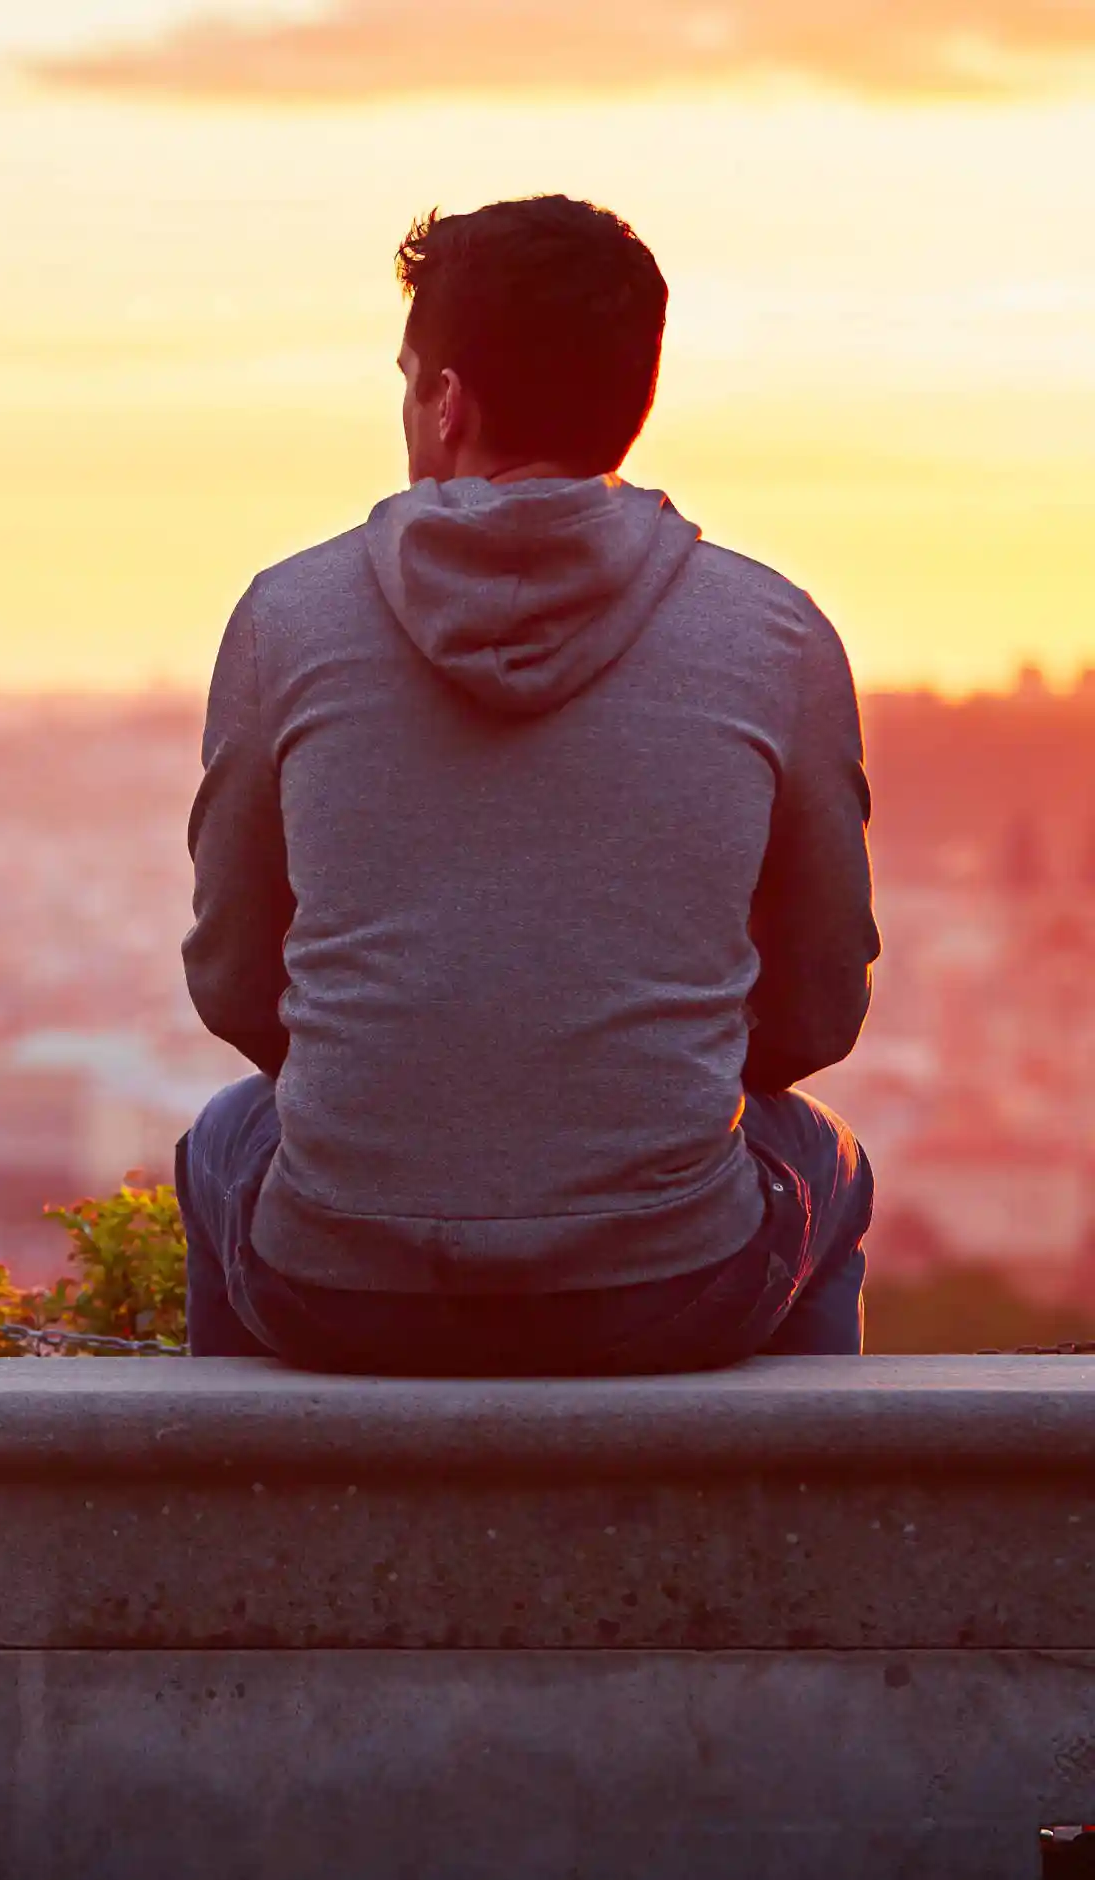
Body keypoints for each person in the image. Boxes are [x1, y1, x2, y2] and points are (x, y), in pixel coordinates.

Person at [178, 194, 879, 1375]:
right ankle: (796, 1527)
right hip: (668, 1284)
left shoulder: (284, 619)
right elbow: (821, 1003)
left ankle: (229, 1516)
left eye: (408, 381)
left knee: (222, 1140)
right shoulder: (775, 633)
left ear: (445, 401)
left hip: (339, 1284)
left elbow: (233, 977)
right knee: (828, 1163)